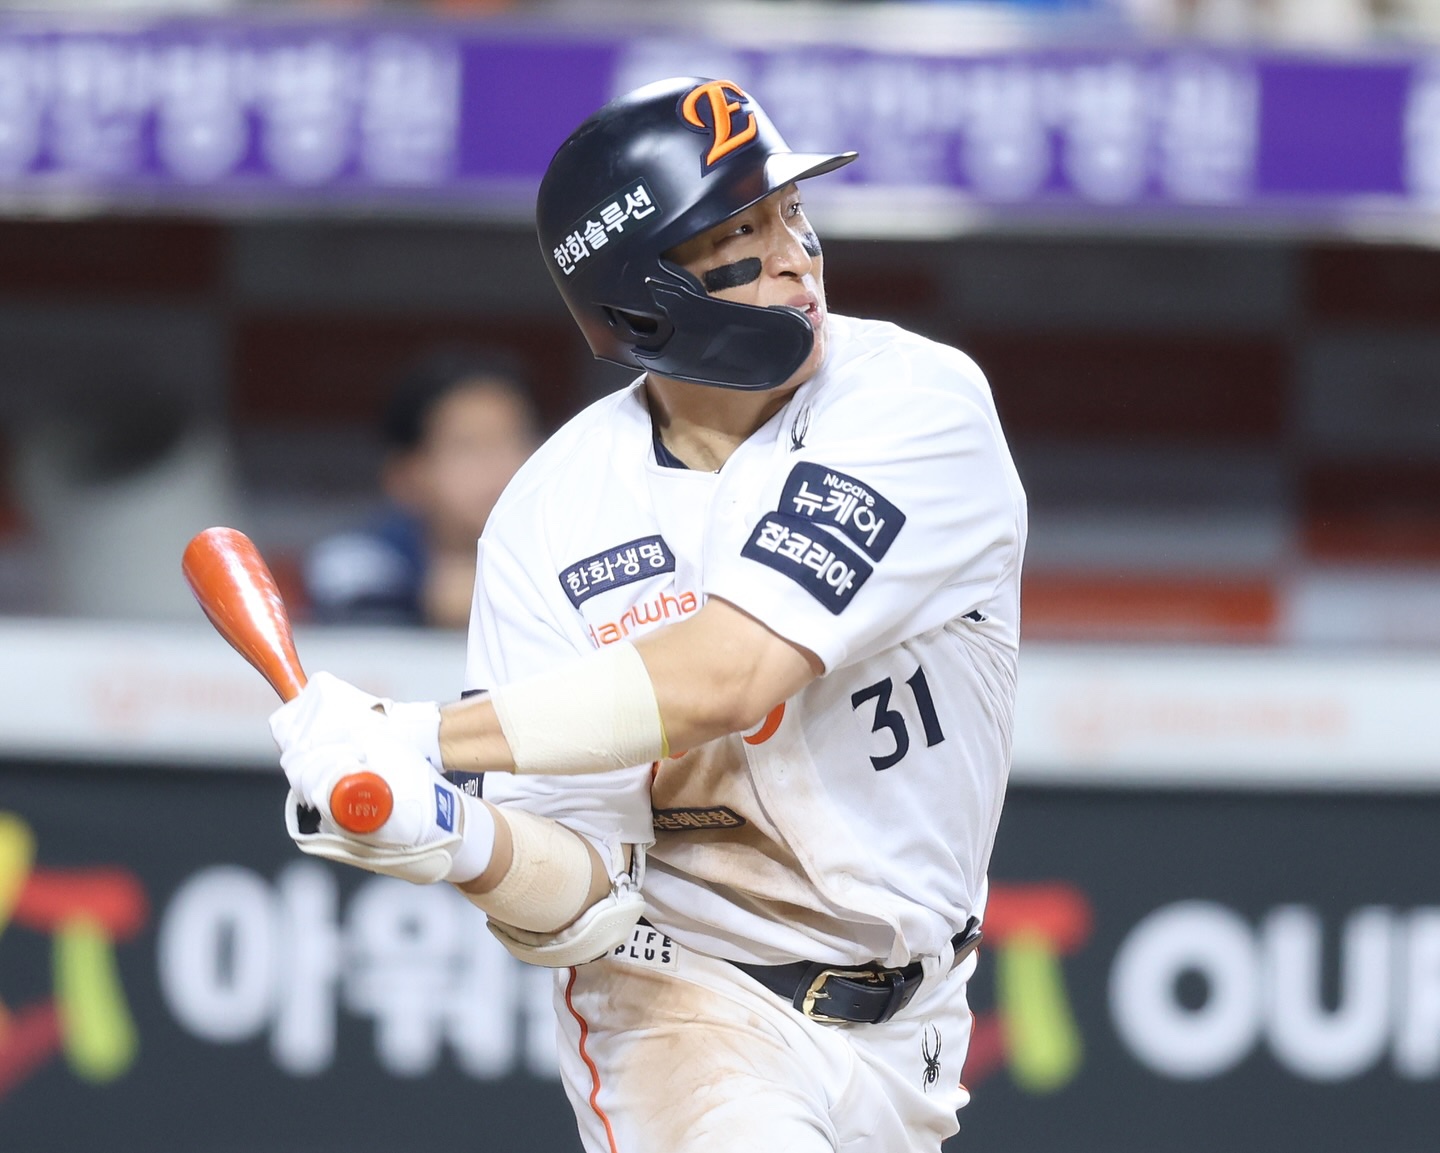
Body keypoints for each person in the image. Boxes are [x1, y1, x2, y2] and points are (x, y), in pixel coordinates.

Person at [269, 76, 1027, 1153]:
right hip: (684, 1000)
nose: (796, 258)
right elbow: (581, 896)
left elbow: (726, 675)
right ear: (640, 295)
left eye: (792, 214)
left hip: (919, 1017)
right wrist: (448, 834)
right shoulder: (550, 514)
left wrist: (420, 736)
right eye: (741, 234)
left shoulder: (914, 402)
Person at [303, 349, 540, 628]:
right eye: (469, 446)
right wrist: (429, 602)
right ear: (405, 475)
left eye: (515, 440)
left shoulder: (563, 548)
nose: (502, 465)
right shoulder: (356, 559)